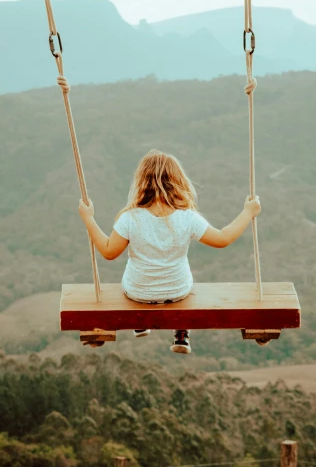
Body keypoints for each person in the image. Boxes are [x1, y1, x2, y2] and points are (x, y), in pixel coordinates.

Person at [78, 149, 261, 355]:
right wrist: (248, 212)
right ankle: (181, 333)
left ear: (140, 182)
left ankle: (142, 321)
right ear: (177, 181)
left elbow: (109, 252)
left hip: (138, 292)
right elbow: (222, 239)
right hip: (177, 291)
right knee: (184, 279)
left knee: (135, 277)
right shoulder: (187, 217)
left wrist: (88, 218)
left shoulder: (130, 218)